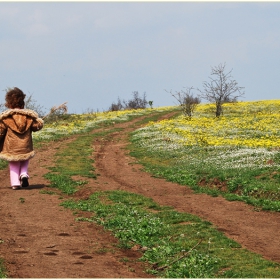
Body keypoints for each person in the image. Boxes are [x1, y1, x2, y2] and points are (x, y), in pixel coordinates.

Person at [0, 87, 44, 190]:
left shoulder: (6, 118)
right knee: (25, 159)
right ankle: (24, 174)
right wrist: (39, 122)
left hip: (12, 146)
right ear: (22, 103)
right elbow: (36, 126)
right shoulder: (28, 117)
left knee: (14, 162)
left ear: (9, 104)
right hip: (26, 145)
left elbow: (0, 131)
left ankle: (15, 183)